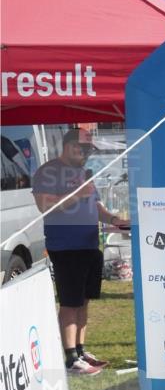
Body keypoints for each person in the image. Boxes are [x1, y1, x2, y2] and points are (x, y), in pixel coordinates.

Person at [32, 129, 126, 375]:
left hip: (89, 245)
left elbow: (96, 205)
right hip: (66, 247)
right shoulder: (48, 172)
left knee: (84, 302)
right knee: (70, 302)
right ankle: (71, 358)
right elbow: (44, 206)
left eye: (88, 150)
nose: (85, 154)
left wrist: (116, 219)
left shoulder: (83, 174)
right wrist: (76, 195)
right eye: (82, 149)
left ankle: (81, 350)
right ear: (68, 145)